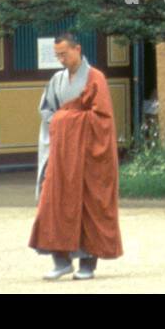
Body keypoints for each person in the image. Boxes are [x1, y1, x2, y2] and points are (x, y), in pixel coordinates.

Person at [30, 32, 123, 280]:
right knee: (52, 203)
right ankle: (60, 261)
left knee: (87, 207)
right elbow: (47, 110)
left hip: (86, 157)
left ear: (77, 49)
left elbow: (102, 119)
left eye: (64, 54)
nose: (61, 59)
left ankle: (86, 264)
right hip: (61, 154)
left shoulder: (95, 78)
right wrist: (61, 122)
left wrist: (65, 120)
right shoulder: (57, 79)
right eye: (57, 55)